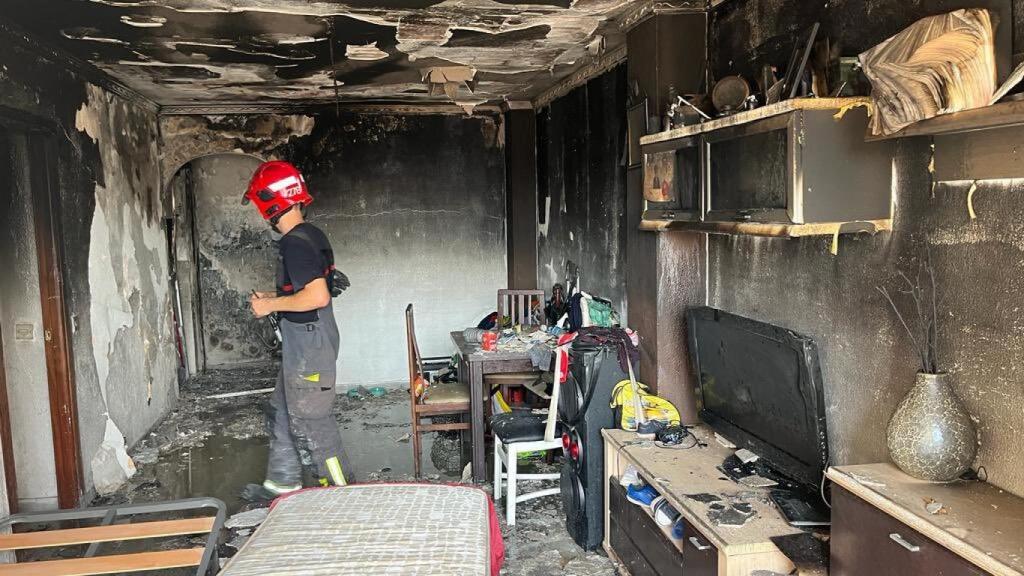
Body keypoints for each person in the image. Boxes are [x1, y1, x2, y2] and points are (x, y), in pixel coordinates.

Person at [242, 160, 352, 497]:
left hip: (309, 347)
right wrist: (275, 296)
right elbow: (310, 287)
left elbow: (316, 295)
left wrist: (269, 305)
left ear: (269, 204)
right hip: (306, 344)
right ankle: (282, 484)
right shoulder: (311, 235)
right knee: (280, 409)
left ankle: (344, 495)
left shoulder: (294, 242)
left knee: (312, 424)